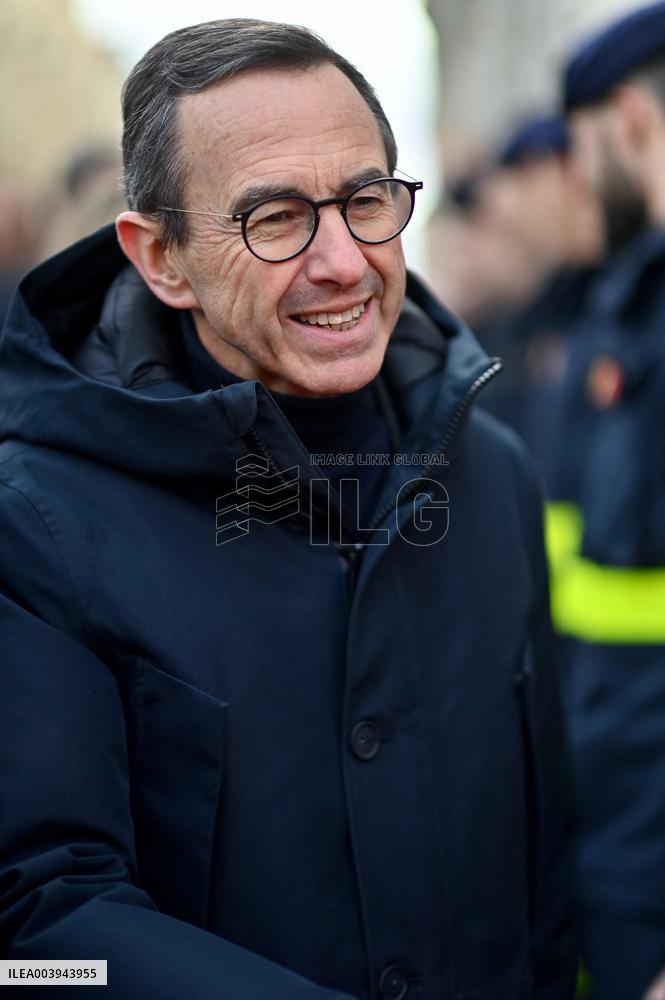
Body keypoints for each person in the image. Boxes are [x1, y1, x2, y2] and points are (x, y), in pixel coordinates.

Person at [0, 19, 576, 999]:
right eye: (274, 220)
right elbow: (38, 937)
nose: (344, 262)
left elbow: (545, 867)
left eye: (364, 201)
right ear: (159, 258)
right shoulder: (38, 520)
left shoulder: (494, 475)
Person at [551, 4, 665, 996]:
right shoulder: (630, 301)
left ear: (628, 120)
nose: (574, 182)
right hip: (619, 840)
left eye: (581, 150)